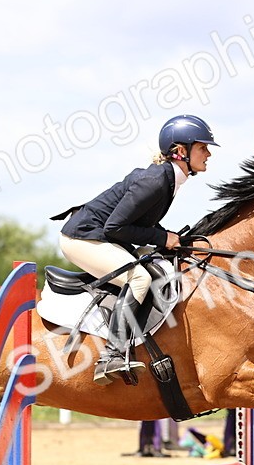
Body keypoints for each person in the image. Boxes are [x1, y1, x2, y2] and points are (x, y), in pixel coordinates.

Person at [51, 114, 218, 384]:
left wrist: (168, 238)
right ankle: (111, 356)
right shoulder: (155, 181)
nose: (208, 153)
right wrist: (162, 238)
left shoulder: (168, 178)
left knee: (154, 265)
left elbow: (138, 221)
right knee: (139, 278)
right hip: (83, 238)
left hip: (103, 235)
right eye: (202, 147)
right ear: (180, 151)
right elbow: (114, 227)